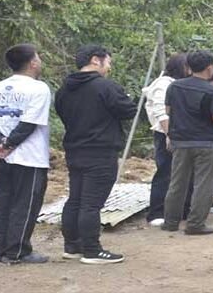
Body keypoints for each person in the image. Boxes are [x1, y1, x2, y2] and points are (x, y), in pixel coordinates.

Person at [55, 44, 138, 264]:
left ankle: (72, 245)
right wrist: (128, 96)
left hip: (75, 149)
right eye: (108, 62)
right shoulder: (105, 86)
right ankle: (92, 250)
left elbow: (61, 113)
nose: (109, 67)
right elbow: (129, 110)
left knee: (75, 199)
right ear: (95, 60)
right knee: (91, 203)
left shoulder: (64, 89)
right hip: (100, 151)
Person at [0, 44, 51, 264]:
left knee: (2, 201)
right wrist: (8, 144)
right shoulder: (39, 88)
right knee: (25, 203)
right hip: (30, 156)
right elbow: (29, 123)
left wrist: (0, 143)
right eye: (38, 58)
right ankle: (18, 250)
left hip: (2, 157)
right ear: (33, 63)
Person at [161, 50, 213, 235]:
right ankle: (195, 224)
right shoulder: (212, 91)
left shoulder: (174, 87)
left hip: (180, 141)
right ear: (210, 67)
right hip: (205, 142)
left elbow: (168, 110)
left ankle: (170, 221)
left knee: (177, 182)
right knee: (203, 184)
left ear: (188, 67)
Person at [143, 54, 192, 227]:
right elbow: (161, 112)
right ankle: (157, 212)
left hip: (179, 133)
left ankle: (181, 209)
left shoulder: (177, 83)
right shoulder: (163, 84)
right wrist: (169, 134)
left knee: (182, 173)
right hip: (166, 133)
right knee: (165, 172)